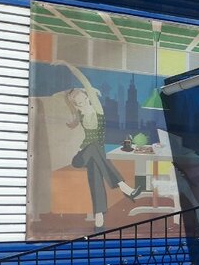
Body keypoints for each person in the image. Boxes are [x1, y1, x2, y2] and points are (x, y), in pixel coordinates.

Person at [60, 62, 142, 228]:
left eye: (82, 99)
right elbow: (66, 99)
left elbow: (85, 83)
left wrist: (69, 66)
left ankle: (99, 220)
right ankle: (124, 187)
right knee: (94, 147)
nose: (81, 104)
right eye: (77, 103)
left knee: (96, 177)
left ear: (87, 96)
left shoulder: (97, 109)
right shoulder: (80, 114)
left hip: (96, 155)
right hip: (81, 156)